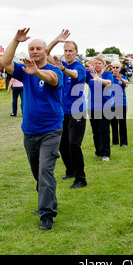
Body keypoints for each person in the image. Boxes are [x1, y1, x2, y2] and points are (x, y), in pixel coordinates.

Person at [1, 28, 64, 230]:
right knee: (38, 173)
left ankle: (46, 215)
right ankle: (48, 203)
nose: (35, 51)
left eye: (39, 48)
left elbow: (52, 79)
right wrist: (15, 40)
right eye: (31, 48)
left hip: (51, 130)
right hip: (29, 131)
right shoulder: (24, 70)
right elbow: (5, 62)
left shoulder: (53, 70)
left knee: (46, 171)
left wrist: (36, 71)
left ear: (46, 52)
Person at [47, 30, 88, 189]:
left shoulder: (78, 67)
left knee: (74, 144)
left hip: (77, 111)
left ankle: (81, 178)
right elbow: (45, 53)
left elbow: (75, 74)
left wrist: (63, 69)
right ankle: (70, 170)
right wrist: (57, 40)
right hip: (62, 111)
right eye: (66, 51)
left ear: (76, 52)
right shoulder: (59, 63)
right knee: (62, 144)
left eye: (71, 51)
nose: (68, 53)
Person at [86, 56, 114, 161]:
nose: (97, 65)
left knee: (104, 130)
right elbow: (78, 73)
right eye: (95, 63)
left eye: (99, 63)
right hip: (93, 107)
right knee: (96, 131)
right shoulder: (90, 74)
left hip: (106, 107)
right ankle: (98, 151)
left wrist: (98, 79)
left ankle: (105, 154)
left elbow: (109, 83)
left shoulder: (108, 74)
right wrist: (87, 65)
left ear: (103, 64)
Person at [110, 60, 128, 148]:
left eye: (117, 67)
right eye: (114, 67)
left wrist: (121, 79)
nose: (115, 69)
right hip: (111, 104)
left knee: (122, 123)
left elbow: (126, 83)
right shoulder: (109, 76)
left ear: (120, 68)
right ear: (111, 68)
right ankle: (115, 140)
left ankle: (124, 142)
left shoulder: (123, 77)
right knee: (113, 123)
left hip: (122, 103)